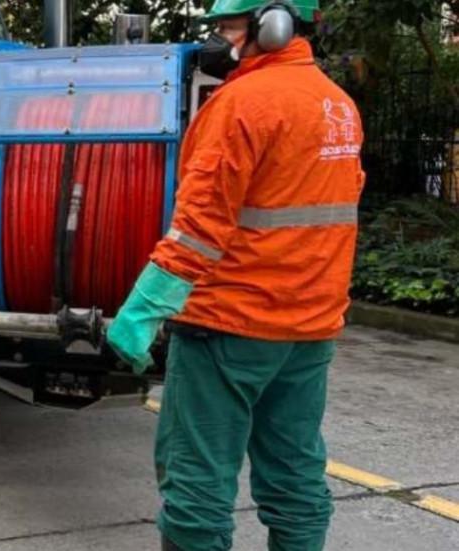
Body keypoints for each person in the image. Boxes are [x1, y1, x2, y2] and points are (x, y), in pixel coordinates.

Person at [106, 1, 364, 550]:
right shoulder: (338, 105)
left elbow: (199, 226)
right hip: (309, 331)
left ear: (273, 25)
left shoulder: (242, 103)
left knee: (196, 483)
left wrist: (144, 308)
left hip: (230, 327)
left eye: (230, 29)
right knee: (295, 475)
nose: (223, 42)